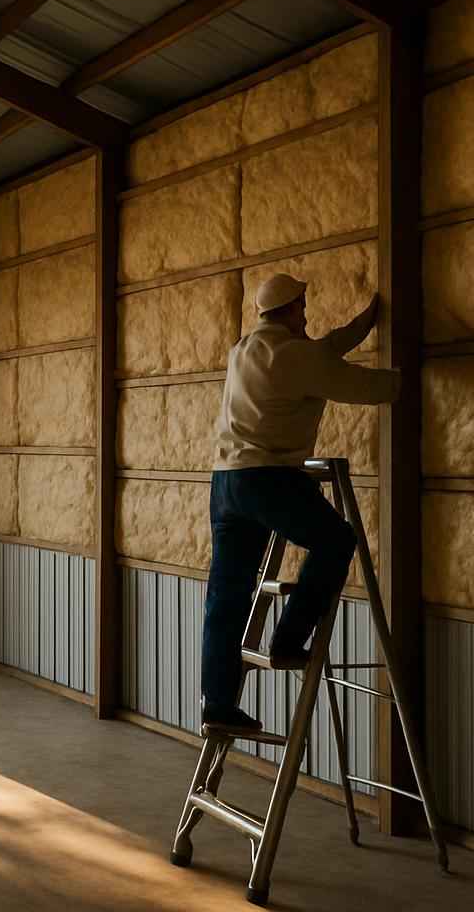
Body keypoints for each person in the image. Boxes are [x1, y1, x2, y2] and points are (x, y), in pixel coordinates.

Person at [200, 273, 400, 734]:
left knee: (226, 598)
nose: (306, 316)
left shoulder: (244, 349)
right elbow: (364, 386)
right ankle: (289, 641)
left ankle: (218, 706)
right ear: (291, 310)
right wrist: (407, 380)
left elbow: (323, 351)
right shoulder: (296, 356)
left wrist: (365, 322)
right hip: (266, 479)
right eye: (303, 308)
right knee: (335, 540)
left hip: (225, 483)